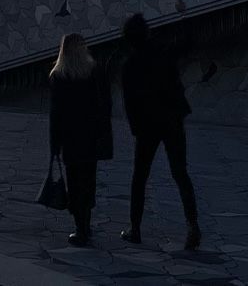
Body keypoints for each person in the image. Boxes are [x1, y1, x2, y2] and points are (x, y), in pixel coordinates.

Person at [116, 13, 201, 249]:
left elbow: (129, 102)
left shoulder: (130, 65)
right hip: (172, 119)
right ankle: (192, 225)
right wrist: (184, 15)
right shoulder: (163, 52)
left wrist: (135, 129)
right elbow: (187, 42)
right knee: (180, 172)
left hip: (147, 125)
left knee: (139, 177)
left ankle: (135, 228)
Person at [47, 32, 114, 246]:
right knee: (88, 180)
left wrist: (54, 143)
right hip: (91, 136)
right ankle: (86, 224)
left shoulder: (59, 75)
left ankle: (80, 228)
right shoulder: (94, 71)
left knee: (75, 182)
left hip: (71, 137)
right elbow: (106, 105)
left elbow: (56, 113)